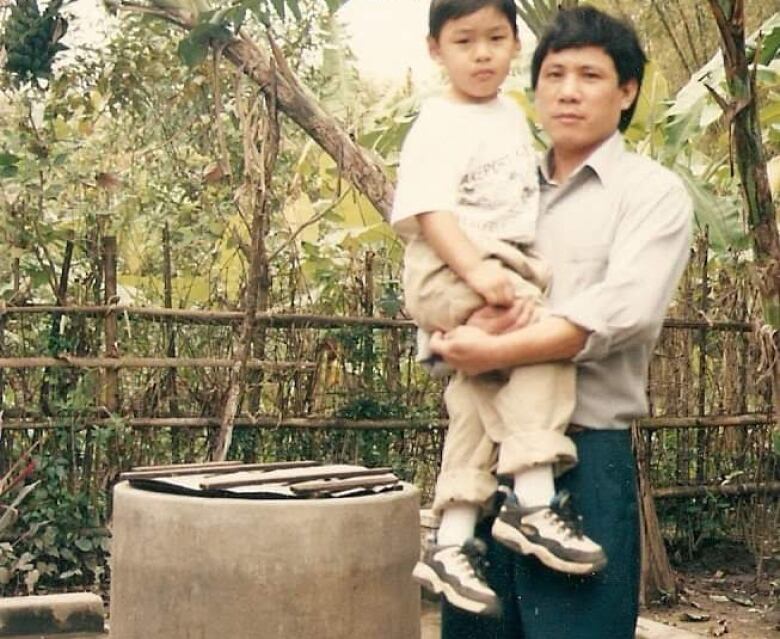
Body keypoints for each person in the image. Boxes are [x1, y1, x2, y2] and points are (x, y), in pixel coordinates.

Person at [430, 6, 693, 638]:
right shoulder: (500, 189)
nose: (569, 91)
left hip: (583, 457)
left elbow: (618, 316)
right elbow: (442, 283)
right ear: (535, 86)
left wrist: (493, 349)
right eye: (554, 74)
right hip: (483, 465)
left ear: (626, 90)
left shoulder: (651, 193)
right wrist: (447, 339)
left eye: (590, 76)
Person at [391, 0, 607, 618]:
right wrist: (478, 274)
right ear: (436, 50)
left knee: (476, 394)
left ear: (516, 44)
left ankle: (452, 539)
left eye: (496, 38)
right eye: (464, 41)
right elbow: (431, 211)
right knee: (541, 345)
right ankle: (534, 504)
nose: (482, 53)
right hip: (455, 263)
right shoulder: (439, 121)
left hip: (495, 266)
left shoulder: (511, 118)